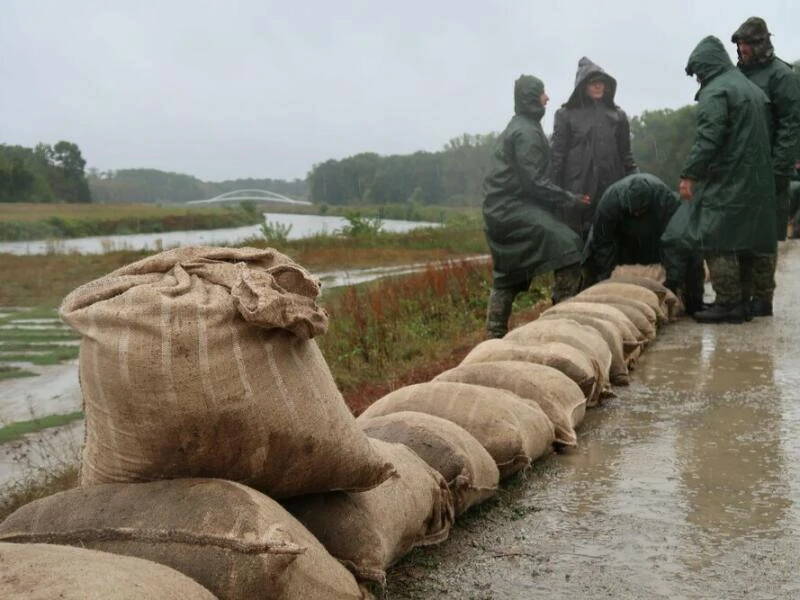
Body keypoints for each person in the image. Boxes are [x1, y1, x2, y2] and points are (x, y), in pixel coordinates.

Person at [482, 74, 590, 339]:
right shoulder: (526, 132)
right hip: (511, 209)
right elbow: (535, 183)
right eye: (543, 93)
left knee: (508, 272)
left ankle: (493, 336)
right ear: (532, 97)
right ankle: (562, 321)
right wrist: (569, 199)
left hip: (501, 210)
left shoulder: (523, 126)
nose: (547, 97)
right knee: (569, 246)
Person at [680, 35, 776, 324]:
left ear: (706, 67)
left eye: (698, 73)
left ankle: (729, 302)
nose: (698, 80)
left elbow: (709, 137)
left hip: (731, 174)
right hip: (759, 175)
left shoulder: (717, 91)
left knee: (715, 233)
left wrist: (689, 174)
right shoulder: (751, 88)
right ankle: (752, 301)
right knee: (749, 237)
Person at [731, 17, 800, 316]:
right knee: (738, 234)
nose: (743, 49)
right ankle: (742, 295)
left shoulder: (782, 76)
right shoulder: (736, 75)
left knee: (763, 235)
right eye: (739, 44)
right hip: (739, 170)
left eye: (747, 43)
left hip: (770, 168)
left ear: (761, 44)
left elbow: (790, 125)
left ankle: (762, 299)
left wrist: (777, 170)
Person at [582, 172, 704, 313]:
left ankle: (694, 303)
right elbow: (603, 243)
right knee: (592, 258)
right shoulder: (609, 202)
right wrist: (605, 278)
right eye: (635, 212)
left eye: (642, 211)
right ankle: (590, 302)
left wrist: (671, 281)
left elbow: (674, 242)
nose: (638, 214)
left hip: (655, 240)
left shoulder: (664, 198)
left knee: (691, 249)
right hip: (623, 242)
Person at [551, 57, 638, 238]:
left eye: (601, 82)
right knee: (578, 244)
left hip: (611, 190)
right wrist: (555, 194)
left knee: (611, 241)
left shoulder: (618, 116)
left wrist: (638, 182)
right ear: (583, 85)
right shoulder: (565, 115)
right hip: (578, 193)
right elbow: (557, 157)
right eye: (593, 82)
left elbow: (626, 157)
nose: (598, 86)